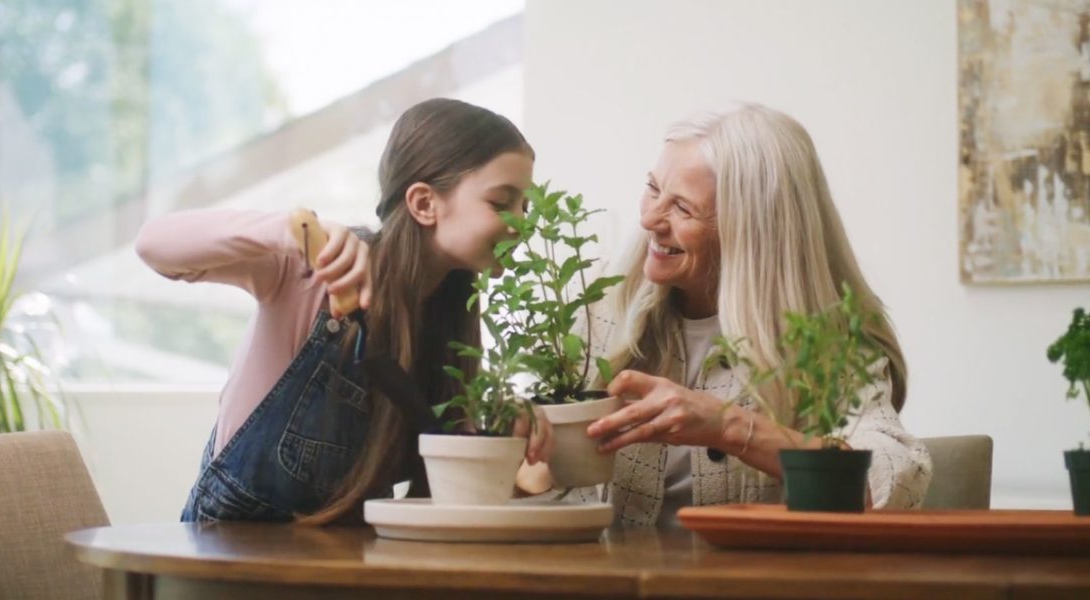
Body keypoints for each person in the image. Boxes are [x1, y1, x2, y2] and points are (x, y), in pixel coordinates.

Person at [135, 98, 553, 525]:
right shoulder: (317, 271)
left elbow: (446, 493)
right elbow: (154, 244)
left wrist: (506, 434)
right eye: (502, 203)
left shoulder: (452, 326)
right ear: (424, 203)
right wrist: (291, 231)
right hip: (226, 566)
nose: (522, 221)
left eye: (526, 207)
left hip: (342, 570)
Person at [578, 103, 932, 527]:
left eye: (683, 209)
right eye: (653, 189)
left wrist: (729, 427)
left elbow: (892, 480)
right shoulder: (600, 302)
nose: (651, 219)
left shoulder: (827, 340)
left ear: (751, 232)